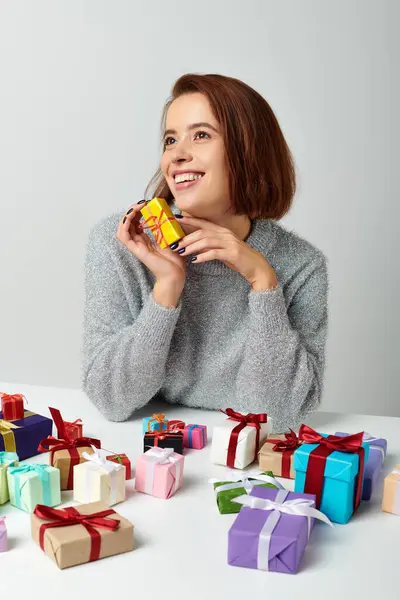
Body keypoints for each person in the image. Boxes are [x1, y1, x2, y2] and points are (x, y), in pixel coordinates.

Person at [82, 73, 328, 433]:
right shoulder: (121, 242)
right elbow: (110, 399)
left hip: (241, 465)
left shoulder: (301, 265)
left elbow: (280, 416)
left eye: (201, 135)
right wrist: (166, 288)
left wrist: (262, 281)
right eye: (170, 139)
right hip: (146, 451)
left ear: (249, 151)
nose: (177, 155)